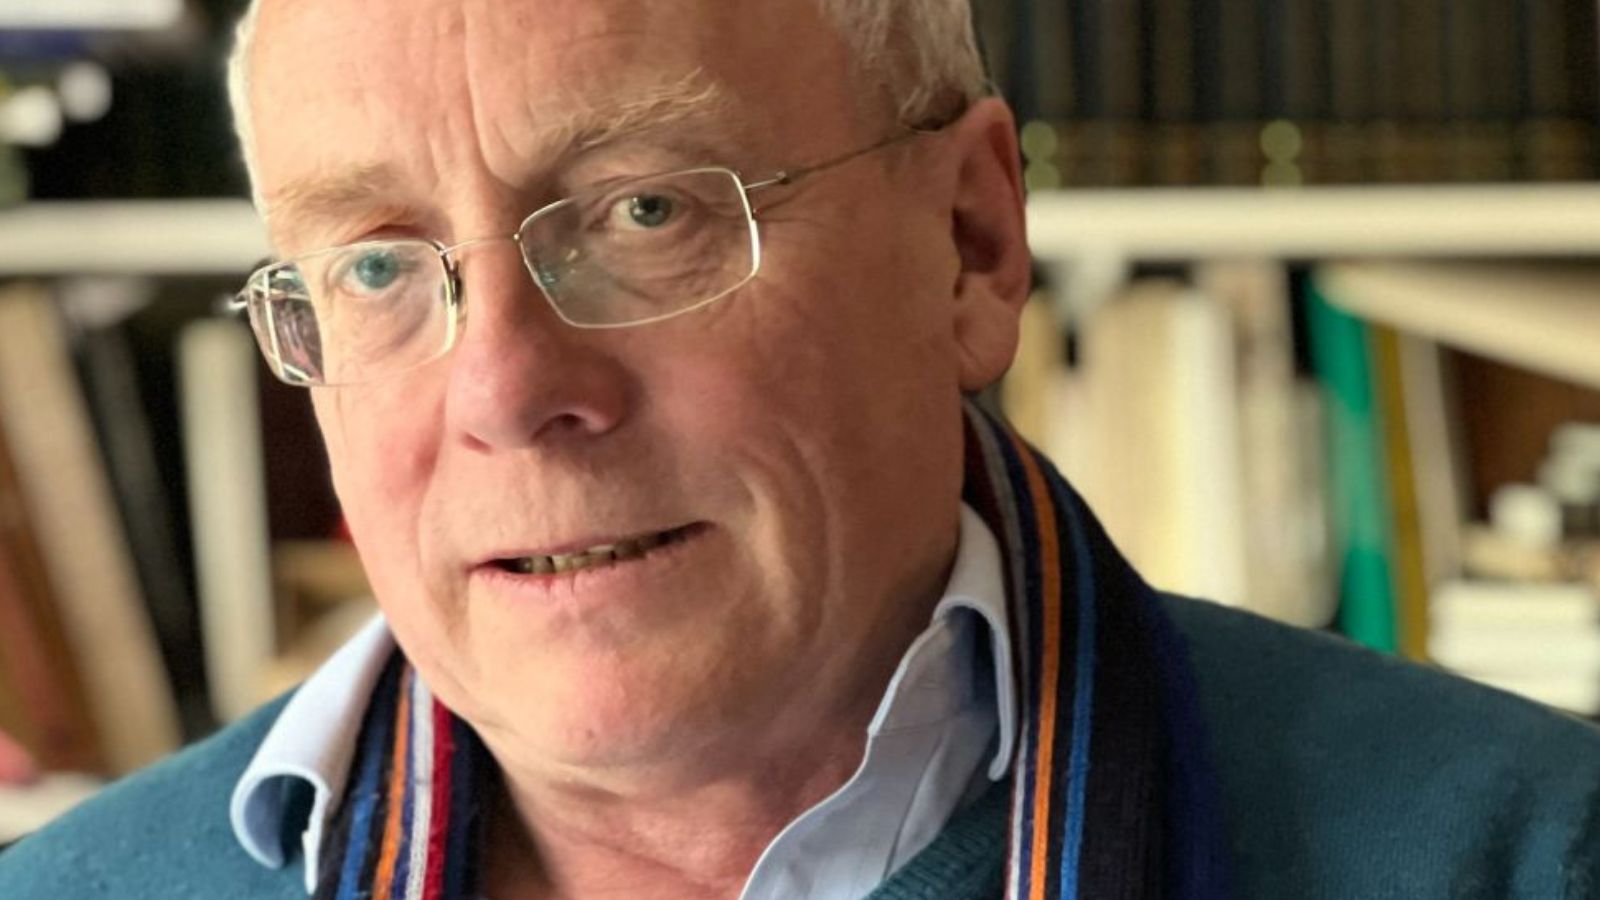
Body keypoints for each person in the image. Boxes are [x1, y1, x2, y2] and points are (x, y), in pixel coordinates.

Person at [4, 1, 1600, 897]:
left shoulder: (1521, 856)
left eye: (645, 214)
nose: (504, 389)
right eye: (373, 263)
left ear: (969, 244)